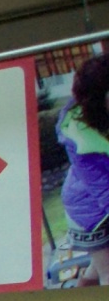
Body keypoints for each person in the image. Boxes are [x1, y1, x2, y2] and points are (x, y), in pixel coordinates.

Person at [56, 54, 109, 283]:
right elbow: (103, 190)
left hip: (98, 206)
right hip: (90, 212)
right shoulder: (81, 140)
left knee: (95, 271)